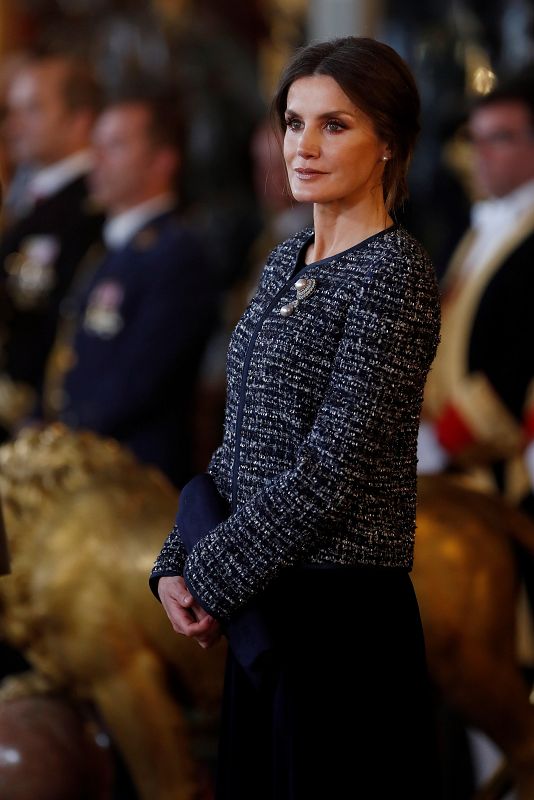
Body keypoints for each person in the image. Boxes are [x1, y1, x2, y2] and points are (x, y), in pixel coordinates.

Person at [150, 36, 442, 799]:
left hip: (340, 627)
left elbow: (332, 468)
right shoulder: (286, 260)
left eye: (334, 125)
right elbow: (239, 444)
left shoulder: (396, 273)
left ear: (389, 143)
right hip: (266, 607)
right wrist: (177, 561)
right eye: (292, 121)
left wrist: (214, 575)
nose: (303, 146)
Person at [40, 95, 218, 489]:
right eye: (96, 145)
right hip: (84, 467)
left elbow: (141, 380)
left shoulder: (175, 254)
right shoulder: (110, 247)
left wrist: (66, 436)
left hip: (133, 480)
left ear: (163, 161)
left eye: (116, 146)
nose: (97, 159)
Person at [418, 72, 534, 507]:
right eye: (475, 139)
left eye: (498, 139)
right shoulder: (479, 228)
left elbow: (521, 351)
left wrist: (445, 440)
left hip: (498, 467)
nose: (479, 155)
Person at [0, 51, 103, 436]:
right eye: (12, 111)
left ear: (79, 120)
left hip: (44, 424)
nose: (13, 126)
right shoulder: (27, 201)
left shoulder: (89, 211)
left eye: (32, 110)